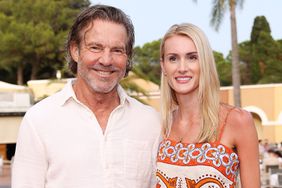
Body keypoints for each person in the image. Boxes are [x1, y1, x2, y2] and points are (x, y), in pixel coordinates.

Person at [12, 4, 161, 188]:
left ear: (127, 57)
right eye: (95, 47)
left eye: (117, 50)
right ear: (75, 51)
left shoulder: (151, 121)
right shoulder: (39, 120)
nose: (106, 60)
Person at [156, 23, 260, 187]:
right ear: (164, 66)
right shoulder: (162, 125)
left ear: (205, 62)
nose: (182, 68)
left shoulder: (238, 121)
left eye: (192, 57)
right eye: (173, 58)